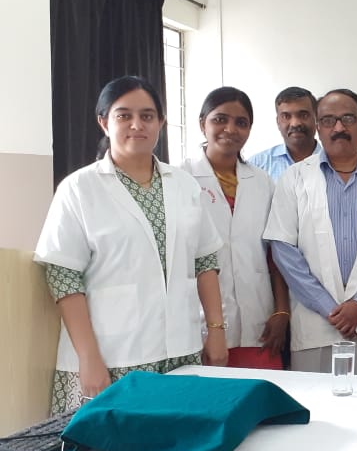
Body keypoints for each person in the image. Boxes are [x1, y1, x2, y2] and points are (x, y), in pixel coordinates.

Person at [34, 75, 227, 414]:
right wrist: (88, 357)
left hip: (180, 354)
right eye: (124, 115)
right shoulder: (79, 188)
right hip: (110, 359)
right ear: (104, 122)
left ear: (161, 122)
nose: (137, 125)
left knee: (175, 441)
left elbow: (205, 262)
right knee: (105, 446)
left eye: (147, 116)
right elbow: (63, 276)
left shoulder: (184, 185)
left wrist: (216, 330)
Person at [264, 88, 357, 374]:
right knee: (312, 400)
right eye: (329, 120)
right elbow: (283, 249)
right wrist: (328, 307)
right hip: (316, 325)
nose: (339, 128)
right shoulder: (294, 178)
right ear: (318, 128)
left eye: (348, 119)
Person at [181, 87, 290, 369]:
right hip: (199, 323)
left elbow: (275, 254)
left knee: (264, 393)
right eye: (220, 119)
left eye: (241, 122)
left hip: (259, 323)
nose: (230, 129)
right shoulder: (180, 179)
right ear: (202, 123)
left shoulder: (262, 182)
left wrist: (281, 310)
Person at [247, 86, 320, 181]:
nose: (295, 123)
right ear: (278, 122)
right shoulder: (257, 165)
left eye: (303, 115)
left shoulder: (333, 162)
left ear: (316, 118)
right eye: (286, 116)